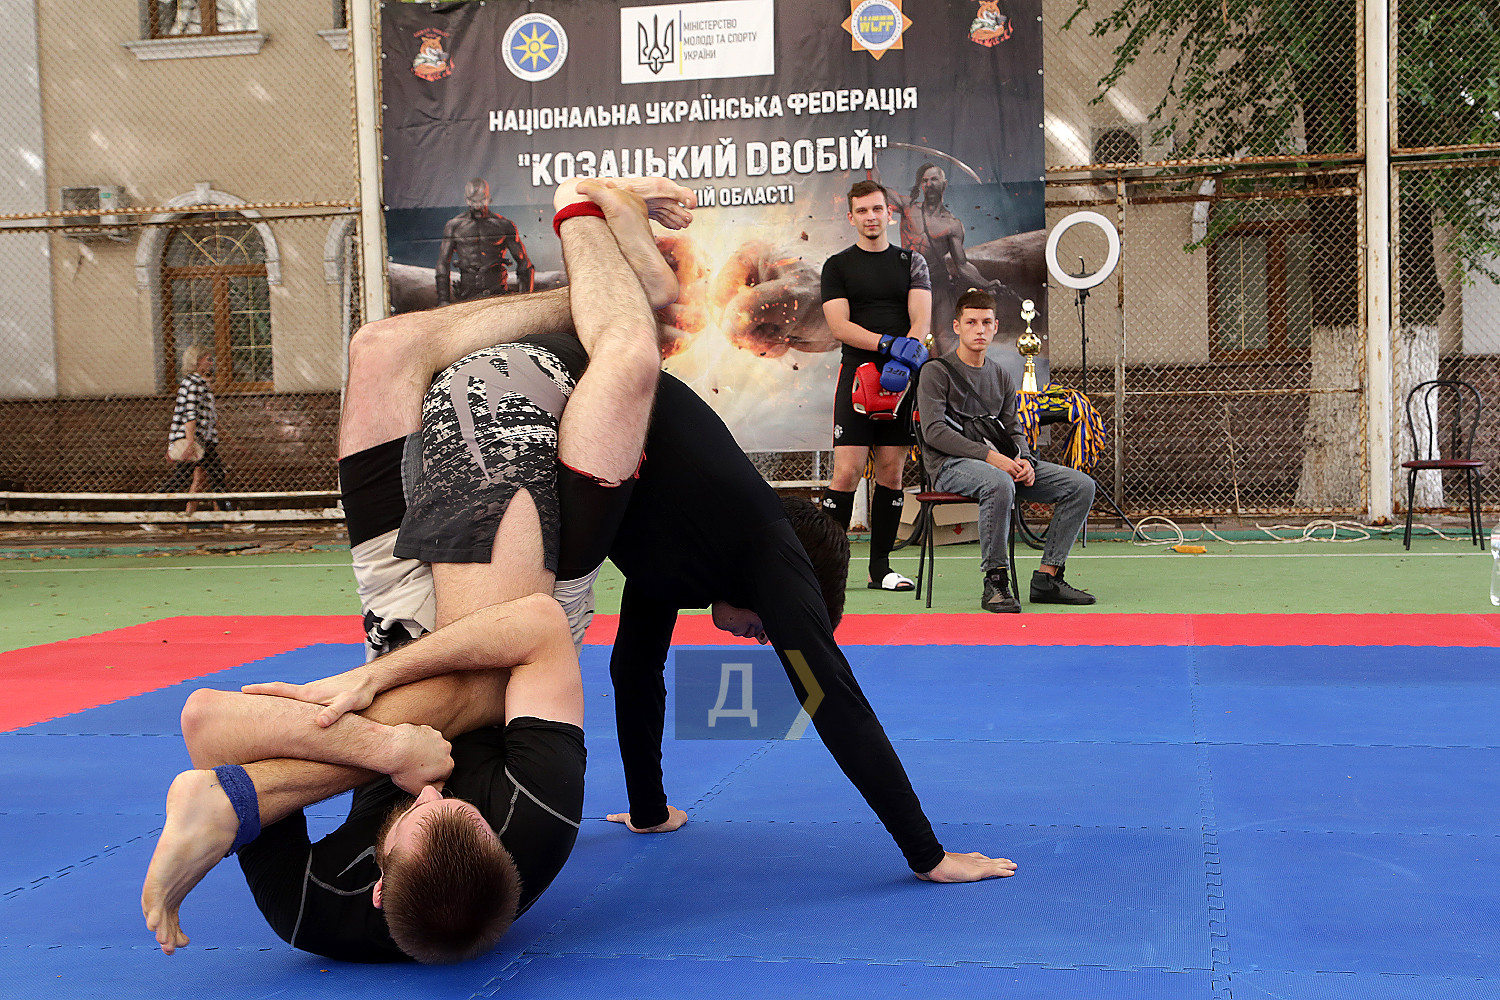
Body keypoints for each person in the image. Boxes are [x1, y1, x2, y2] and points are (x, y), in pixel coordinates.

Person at [140, 178, 694, 963]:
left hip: (395, 622)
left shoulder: (313, 914)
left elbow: (206, 724)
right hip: (498, 642)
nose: (435, 788)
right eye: (459, 806)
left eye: (416, 811)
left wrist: (386, 744)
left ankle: (620, 292)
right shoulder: (535, 824)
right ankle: (597, 241)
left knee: (380, 350)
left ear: (376, 884)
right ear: (499, 850)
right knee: (556, 371)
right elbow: (532, 635)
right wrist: (389, 746)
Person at [602, 373, 1015, 883]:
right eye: (769, 629)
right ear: (781, 589)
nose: (763, 639)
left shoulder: (681, 546)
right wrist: (930, 857)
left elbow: (634, 667)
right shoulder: (761, 544)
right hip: (577, 392)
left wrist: (648, 810)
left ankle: (648, 813)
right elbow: (833, 699)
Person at [916, 288, 1097, 613]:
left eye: (986, 322)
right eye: (971, 322)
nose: (979, 329)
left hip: (1000, 463)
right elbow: (934, 432)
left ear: (996, 326)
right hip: (949, 467)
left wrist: (1024, 459)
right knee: (997, 482)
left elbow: (1014, 429)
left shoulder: (1000, 375)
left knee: (1081, 485)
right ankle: (996, 582)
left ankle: (1047, 578)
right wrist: (991, 458)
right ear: (957, 326)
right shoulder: (935, 372)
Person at [820, 179, 932, 592]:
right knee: (847, 473)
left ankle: (880, 569)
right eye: (862, 210)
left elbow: (921, 320)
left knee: (891, 472)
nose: (871, 217)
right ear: (851, 217)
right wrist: (886, 344)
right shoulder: (837, 266)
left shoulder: (911, 262)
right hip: (857, 377)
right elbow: (839, 325)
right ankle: (825, 571)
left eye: (877, 209)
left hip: (900, 380)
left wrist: (905, 356)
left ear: (889, 214)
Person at [884, 163, 1008, 355]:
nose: (929, 184)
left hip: (939, 284)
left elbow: (962, 264)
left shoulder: (952, 224)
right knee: (911, 342)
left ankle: (945, 374)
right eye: (925, 180)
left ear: (944, 183)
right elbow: (879, 192)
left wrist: (985, 283)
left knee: (944, 341)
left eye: (934, 179)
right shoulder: (909, 208)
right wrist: (872, 162)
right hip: (909, 286)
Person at [435, 178, 536, 305]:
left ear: (488, 198)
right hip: (467, 294)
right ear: (466, 200)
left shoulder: (504, 225)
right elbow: (443, 264)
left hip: (497, 292)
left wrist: (526, 300)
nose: (477, 206)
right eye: (473, 201)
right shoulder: (454, 226)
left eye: (481, 200)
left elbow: (524, 264)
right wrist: (443, 300)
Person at [159, 345, 227, 515]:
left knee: (212, 476)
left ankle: (226, 517)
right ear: (197, 361)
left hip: (202, 440)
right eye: (208, 359)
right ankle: (150, 512)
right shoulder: (194, 384)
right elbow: (190, 415)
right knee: (204, 477)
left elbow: (210, 418)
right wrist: (190, 443)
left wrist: (232, 441)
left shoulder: (199, 384)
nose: (212, 363)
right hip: (196, 441)